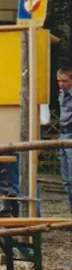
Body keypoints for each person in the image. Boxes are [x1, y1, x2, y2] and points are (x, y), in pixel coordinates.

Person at [59, 67, 72, 216]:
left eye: (65, 80)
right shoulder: (62, 94)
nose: (61, 84)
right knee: (66, 181)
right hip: (63, 135)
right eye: (59, 80)